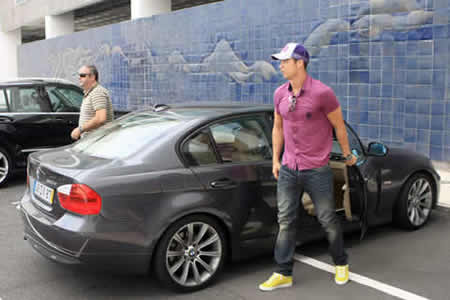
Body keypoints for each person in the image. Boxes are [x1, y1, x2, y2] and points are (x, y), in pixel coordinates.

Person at [259, 43, 357, 291]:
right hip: (289, 168)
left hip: (317, 169)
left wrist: (347, 155)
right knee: (286, 220)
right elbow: (278, 127)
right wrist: (275, 160)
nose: (280, 65)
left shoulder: (323, 93)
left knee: (327, 218)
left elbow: (339, 127)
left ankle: (341, 263)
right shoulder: (280, 93)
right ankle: (283, 273)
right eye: (279, 61)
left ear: (300, 62)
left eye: (285, 61)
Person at [71, 65, 114, 140]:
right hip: (91, 142)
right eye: (78, 75)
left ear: (93, 77)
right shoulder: (91, 92)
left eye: (82, 75)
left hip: (98, 142)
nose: (79, 78)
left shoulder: (98, 92)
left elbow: (101, 118)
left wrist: (80, 129)